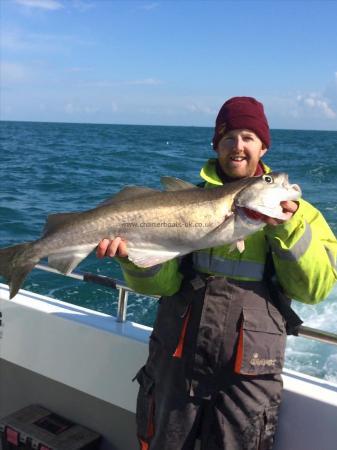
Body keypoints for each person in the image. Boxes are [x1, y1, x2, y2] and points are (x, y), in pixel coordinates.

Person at [97, 97, 337, 450]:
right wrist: (133, 259)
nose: (238, 147)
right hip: (176, 358)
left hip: (249, 371)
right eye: (228, 138)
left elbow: (314, 290)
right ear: (217, 146)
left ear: (263, 146)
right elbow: (164, 285)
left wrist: (287, 227)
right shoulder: (185, 203)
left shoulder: (303, 215)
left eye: (248, 137)